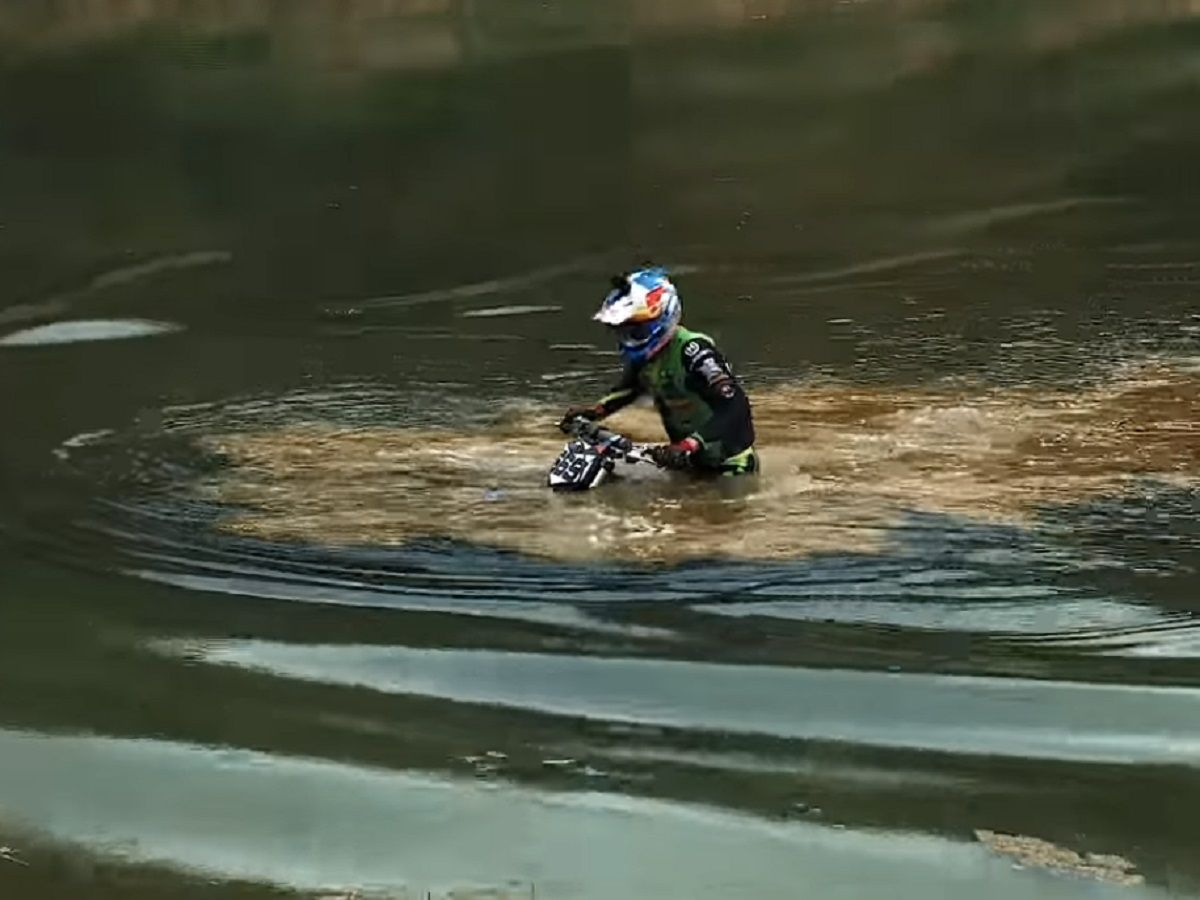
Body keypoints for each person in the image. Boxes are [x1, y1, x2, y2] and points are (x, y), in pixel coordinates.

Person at [560, 267, 758, 475]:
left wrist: (690, 444)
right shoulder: (646, 358)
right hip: (686, 461)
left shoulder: (694, 351)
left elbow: (735, 407)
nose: (630, 337)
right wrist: (594, 412)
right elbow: (630, 389)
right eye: (624, 330)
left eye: (636, 330)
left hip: (731, 463)